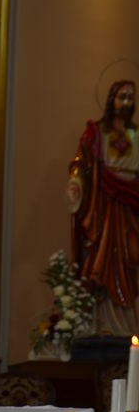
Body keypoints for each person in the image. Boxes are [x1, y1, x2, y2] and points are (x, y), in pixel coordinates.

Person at [67, 78, 139, 336]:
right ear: (111, 100)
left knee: (130, 259)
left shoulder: (137, 135)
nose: (126, 103)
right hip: (104, 208)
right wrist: (76, 181)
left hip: (130, 207)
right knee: (102, 260)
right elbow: (81, 163)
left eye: (131, 98)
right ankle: (102, 323)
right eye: (122, 97)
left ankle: (126, 324)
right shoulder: (97, 133)